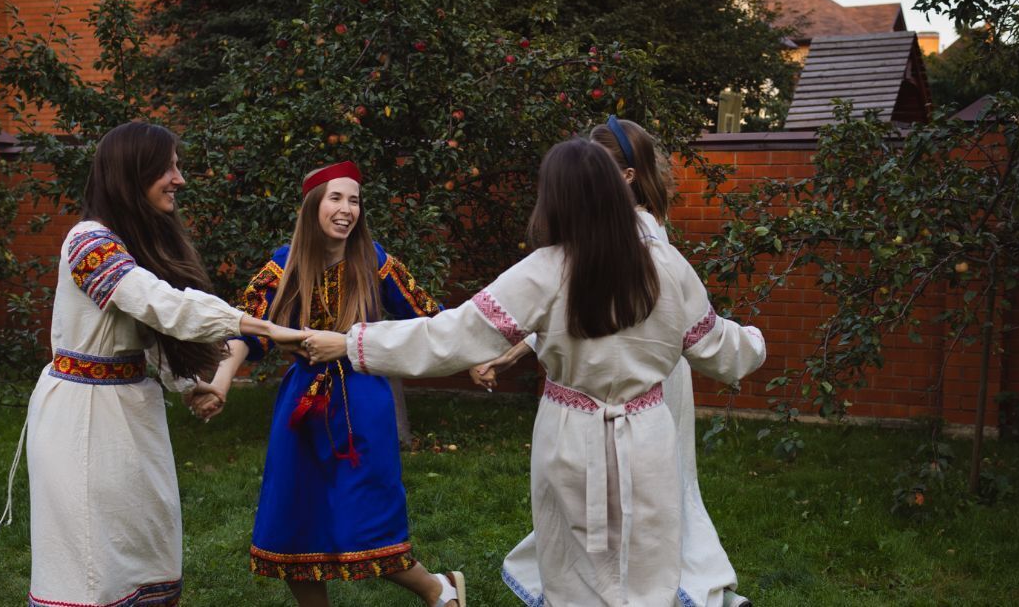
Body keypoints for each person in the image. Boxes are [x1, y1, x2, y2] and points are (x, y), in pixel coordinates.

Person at [301, 139, 766, 606]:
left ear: (555, 200)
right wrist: (755, 341)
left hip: (571, 437)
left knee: (573, 572)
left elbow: (451, 335)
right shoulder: (667, 265)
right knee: (648, 569)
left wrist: (350, 343)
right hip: (647, 436)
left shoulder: (544, 271)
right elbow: (722, 350)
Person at [0, 122, 305, 607]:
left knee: (145, 541)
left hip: (131, 409)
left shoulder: (127, 244)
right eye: (168, 167)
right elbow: (162, 306)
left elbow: (144, 336)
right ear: (131, 172)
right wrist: (261, 326)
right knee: (91, 557)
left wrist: (188, 386)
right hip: (83, 420)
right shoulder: (88, 243)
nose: (179, 179)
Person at [473, 117, 752, 607]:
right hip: (619, 381)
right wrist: (517, 346)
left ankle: (671, 581)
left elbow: (611, 319)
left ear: (624, 175)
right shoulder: (600, 237)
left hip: (650, 377)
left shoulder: (644, 238)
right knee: (625, 499)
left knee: (648, 495)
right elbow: (579, 313)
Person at [190, 161, 465, 607]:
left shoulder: (375, 261)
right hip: (302, 408)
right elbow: (245, 331)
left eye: (354, 200)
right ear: (313, 206)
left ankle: (440, 591)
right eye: (336, 198)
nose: (346, 209)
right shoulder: (284, 265)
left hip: (364, 404)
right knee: (294, 522)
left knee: (368, 518)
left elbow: (430, 317)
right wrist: (220, 384)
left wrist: (477, 357)